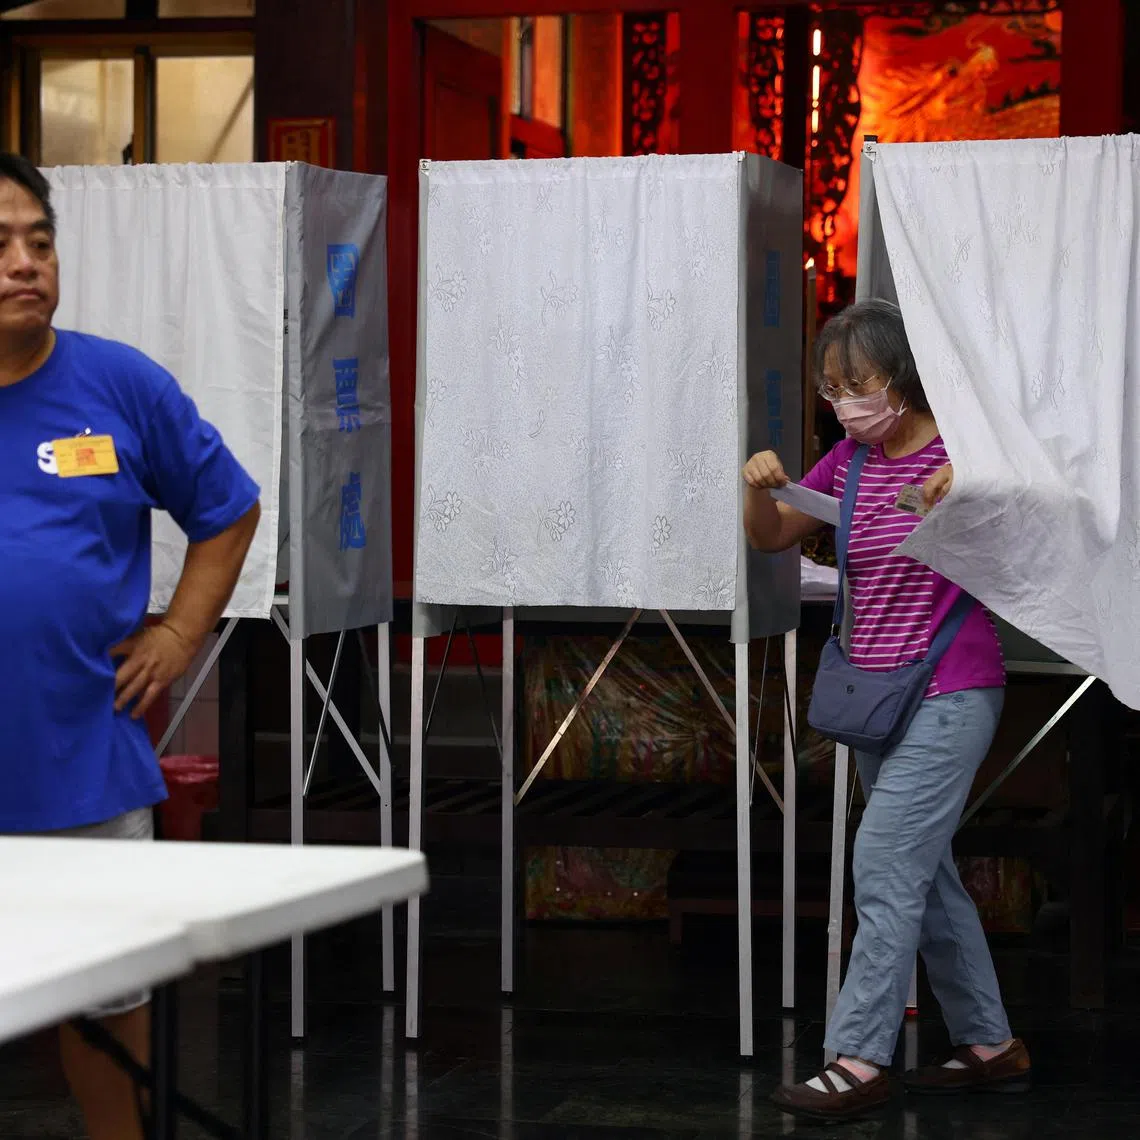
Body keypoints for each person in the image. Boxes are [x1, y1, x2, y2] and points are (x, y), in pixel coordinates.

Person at [0, 153, 260, 1139]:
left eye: (42, 241)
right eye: (0, 245)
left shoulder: (119, 386)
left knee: (108, 1020)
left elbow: (227, 511)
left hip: (84, 767)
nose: (27, 263)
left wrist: (182, 630)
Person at [742, 300, 1029, 1121]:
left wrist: (970, 484)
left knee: (883, 862)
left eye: (856, 384)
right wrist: (760, 490)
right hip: (878, 697)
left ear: (901, 376)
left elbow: (1032, 506)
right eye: (831, 388)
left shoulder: (966, 451)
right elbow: (773, 537)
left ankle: (859, 1057)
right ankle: (990, 1043)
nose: (842, 402)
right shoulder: (850, 462)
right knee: (924, 874)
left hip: (952, 688)